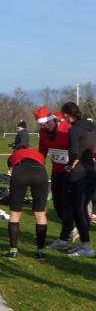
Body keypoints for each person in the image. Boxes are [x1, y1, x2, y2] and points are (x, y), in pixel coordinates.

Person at [36, 106, 76, 250]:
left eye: (47, 123)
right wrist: (38, 164)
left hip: (72, 170)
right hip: (57, 170)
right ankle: (72, 227)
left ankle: (65, 237)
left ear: (53, 119)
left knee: (67, 204)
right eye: (42, 125)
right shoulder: (43, 132)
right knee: (58, 204)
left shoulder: (68, 129)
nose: (45, 126)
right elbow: (42, 150)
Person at [61, 102, 96, 257]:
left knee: (78, 210)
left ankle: (87, 247)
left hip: (79, 174)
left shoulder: (74, 130)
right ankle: (83, 243)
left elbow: (74, 151)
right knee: (82, 209)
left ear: (67, 114)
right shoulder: (91, 126)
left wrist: (70, 164)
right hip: (91, 171)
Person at [4, 146, 49, 259]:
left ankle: (13, 251)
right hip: (40, 172)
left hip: (21, 172)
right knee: (40, 213)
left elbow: (10, 171)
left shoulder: (14, 155)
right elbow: (43, 164)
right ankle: (40, 251)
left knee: (15, 213)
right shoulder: (37, 153)